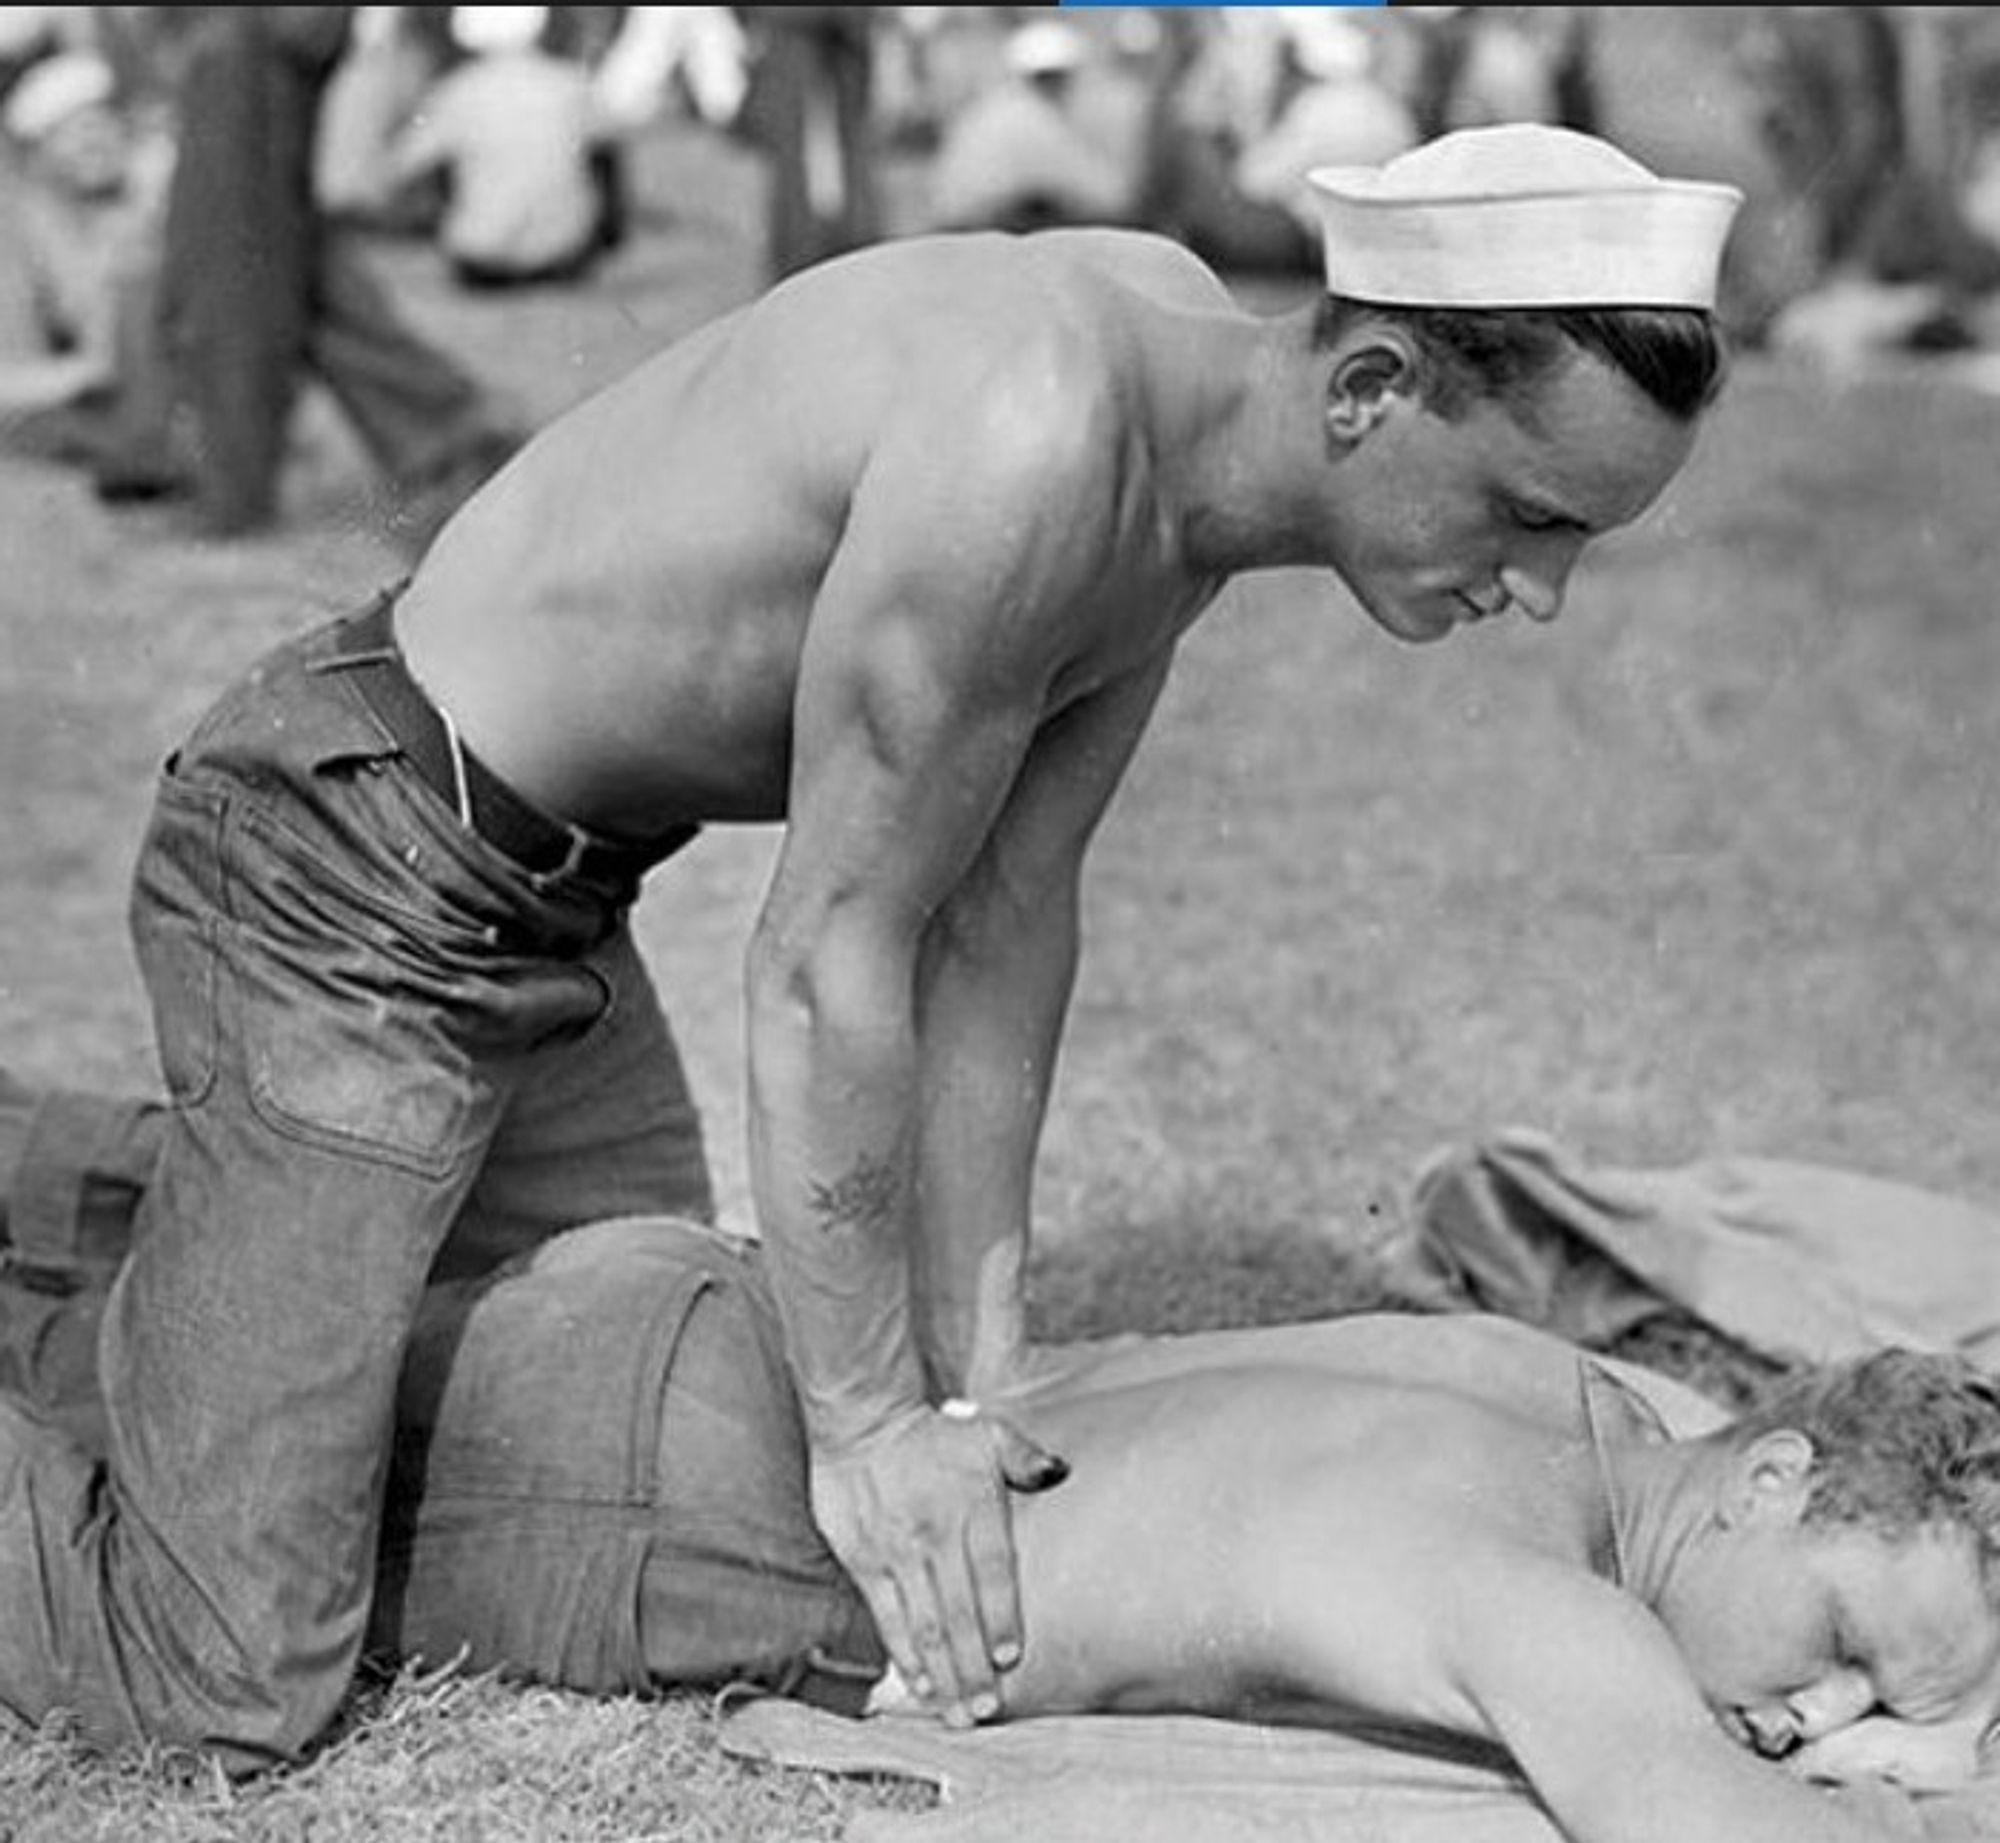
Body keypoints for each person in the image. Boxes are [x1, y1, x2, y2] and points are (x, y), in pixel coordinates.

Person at [0, 123, 1744, 1767]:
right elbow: (833, 955)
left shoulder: (1188, 425)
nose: (1541, 592)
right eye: (1532, 516)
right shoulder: (1040, 437)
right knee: (221, 1669)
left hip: (539, 905)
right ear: (1374, 387)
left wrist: (978, 1383)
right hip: (342, 873)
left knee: (582, 1369)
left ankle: (163, 1219)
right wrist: (870, 1431)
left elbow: (1001, 922)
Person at [1, 1068, 1995, 1836]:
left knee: (160, 1314)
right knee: (160, 1557)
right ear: (1772, 1479)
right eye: (1850, 1650)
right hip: (667, 1494)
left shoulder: (1516, 1381)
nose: (1820, 1719)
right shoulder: (1530, 1594)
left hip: (726, 1332)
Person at [149, 6, 520, 542]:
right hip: (245, 43)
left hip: (248, 43)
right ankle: (454, 428)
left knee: (237, 263)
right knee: (275, 255)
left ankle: (237, 489)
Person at [0, 47, 185, 501]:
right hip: (86, 401)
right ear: (37, 155)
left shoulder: (157, 200)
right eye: (74, 134)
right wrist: (88, 370)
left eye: (103, 124)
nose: (96, 143)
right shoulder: (24, 232)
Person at [386, 4, 621, 292]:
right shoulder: (571, 84)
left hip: (481, 260)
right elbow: (607, 153)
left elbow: (399, 168)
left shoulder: (457, 91)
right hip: (566, 255)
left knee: (450, 157)